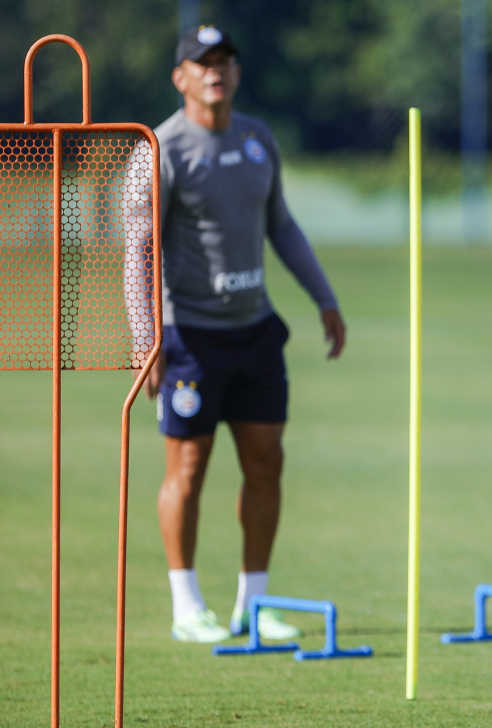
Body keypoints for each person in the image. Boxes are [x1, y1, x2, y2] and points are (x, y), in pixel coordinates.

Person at [139, 25, 346, 643]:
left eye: (225, 60)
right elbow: (139, 250)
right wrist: (146, 337)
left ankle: (253, 604)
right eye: (202, 63)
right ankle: (186, 606)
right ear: (180, 77)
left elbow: (281, 225)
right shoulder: (161, 149)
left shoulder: (257, 138)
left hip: (255, 332)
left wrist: (324, 297)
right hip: (189, 336)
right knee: (189, 468)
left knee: (266, 463)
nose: (216, 71)